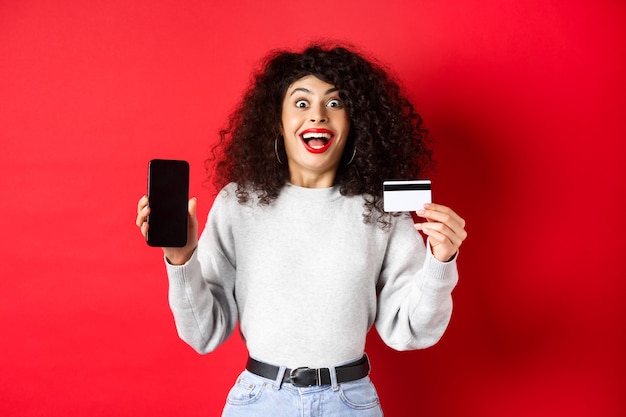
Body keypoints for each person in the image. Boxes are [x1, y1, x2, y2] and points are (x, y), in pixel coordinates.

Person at [136, 43, 467, 416]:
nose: (318, 116)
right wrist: (180, 260)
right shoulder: (238, 203)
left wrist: (441, 262)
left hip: (350, 404)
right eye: (301, 103)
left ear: (354, 121)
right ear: (278, 120)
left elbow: (409, 330)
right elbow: (204, 333)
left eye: (335, 103)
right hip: (259, 403)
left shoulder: (379, 210)